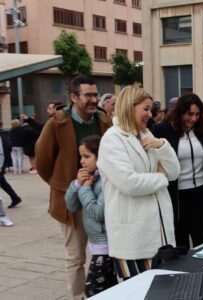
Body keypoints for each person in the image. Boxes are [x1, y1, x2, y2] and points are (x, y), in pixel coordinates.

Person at [35, 76, 112, 299]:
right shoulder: (57, 122)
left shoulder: (103, 120)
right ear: (73, 97)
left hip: (102, 198)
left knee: (106, 252)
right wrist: (61, 185)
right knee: (76, 257)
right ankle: (78, 296)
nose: (93, 100)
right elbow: (42, 160)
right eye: (88, 95)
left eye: (95, 95)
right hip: (72, 201)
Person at [97, 86, 180, 280]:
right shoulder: (112, 140)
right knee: (137, 291)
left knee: (161, 290)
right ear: (129, 107)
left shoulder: (146, 135)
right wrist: (161, 178)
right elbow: (130, 183)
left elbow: (174, 173)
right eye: (145, 108)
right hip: (134, 238)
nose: (150, 115)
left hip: (160, 235)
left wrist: (162, 145)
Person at [152, 93, 203, 249]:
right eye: (189, 114)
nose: (194, 119)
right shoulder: (162, 130)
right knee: (179, 240)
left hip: (202, 192)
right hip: (176, 194)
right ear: (180, 112)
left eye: (197, 114)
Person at [64, 136, 117, 297]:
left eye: (87, 156)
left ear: (101, 157)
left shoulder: (105, 182)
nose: (82, 161)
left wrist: (85, 189)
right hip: (97, 245)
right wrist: (77, 185)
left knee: (93, 290)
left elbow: (98, 213)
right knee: (108, 288)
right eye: (81, 156)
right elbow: (71, 205)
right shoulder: (90, 178)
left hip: (106, 246)